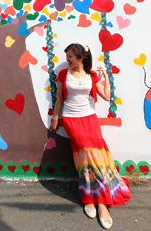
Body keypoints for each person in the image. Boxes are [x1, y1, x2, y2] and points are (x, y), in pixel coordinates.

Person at [49, 43, 131, 229]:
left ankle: (98, 202)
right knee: (86, 157)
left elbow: (107, 97)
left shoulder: (92, 76)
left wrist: (106, 77)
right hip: (72, 119)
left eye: (70, 56)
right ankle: (92, 199)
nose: (67, 59)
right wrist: (55, 118)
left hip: (90, 120)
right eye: (67, 56)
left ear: (81, 58)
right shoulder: (63, 75)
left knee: (96, 159)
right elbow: (59, 99)